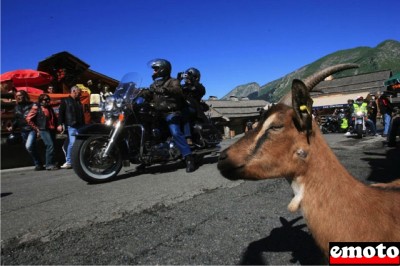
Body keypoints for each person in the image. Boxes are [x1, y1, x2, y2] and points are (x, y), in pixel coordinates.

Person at [148, 58, 195, 173]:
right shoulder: (155, 84)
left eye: (156, 69)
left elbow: (177, 91)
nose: (154, 72)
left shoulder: (173, 81)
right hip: (158, 113)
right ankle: (147, 158)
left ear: (163, 69)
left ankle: (189, 157)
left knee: (175, 132)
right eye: (154, 69)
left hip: (172, 112)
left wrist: (163, 90)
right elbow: (149, 93)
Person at [7, 90, 44, 170]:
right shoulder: (16, 107)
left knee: (29, 146)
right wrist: (12, 127)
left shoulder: (32, 105)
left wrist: (39, 129)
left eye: (20, 95)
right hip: (23, 130)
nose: (18, 97)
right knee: (32, 148)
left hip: (32, 129)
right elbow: (17, 119)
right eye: (17, 96)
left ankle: (38, 163)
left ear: (24, 96)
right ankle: (38, 164)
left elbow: (38, 117)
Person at [26, 94, 59, 170]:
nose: (47, 100)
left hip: (51, 128)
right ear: (41, 100)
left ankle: (53, 162)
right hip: (43, 129)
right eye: (45, 99)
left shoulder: (49, 107)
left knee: (53, 145)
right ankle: (49, 164)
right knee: (50, 145)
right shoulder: (37, 107)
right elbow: (28, 118)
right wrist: (36, 128)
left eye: (48, 99)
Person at [57, 86, 85, 169]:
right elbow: (61, 113)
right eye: (79, 92)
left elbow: (81, 114)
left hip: (79, 124)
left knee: (77, 143)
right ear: (73, 91)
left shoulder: (78, 102)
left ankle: (76, 160)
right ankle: (69, 161)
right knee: (72, 143)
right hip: (71, 125)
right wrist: (59, 124)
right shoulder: (65, 101)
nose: (80, 94)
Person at [180, 67, 208, 143]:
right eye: (186, 76)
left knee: (184, 112)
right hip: (180, 107)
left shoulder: (199, 87)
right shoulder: (182, 87)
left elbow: (200, 90)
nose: (187, 78)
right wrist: (178, 80)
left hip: (193, 108)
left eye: (189, 76)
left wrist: (192, 81)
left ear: (195, 77)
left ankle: (187, 137)